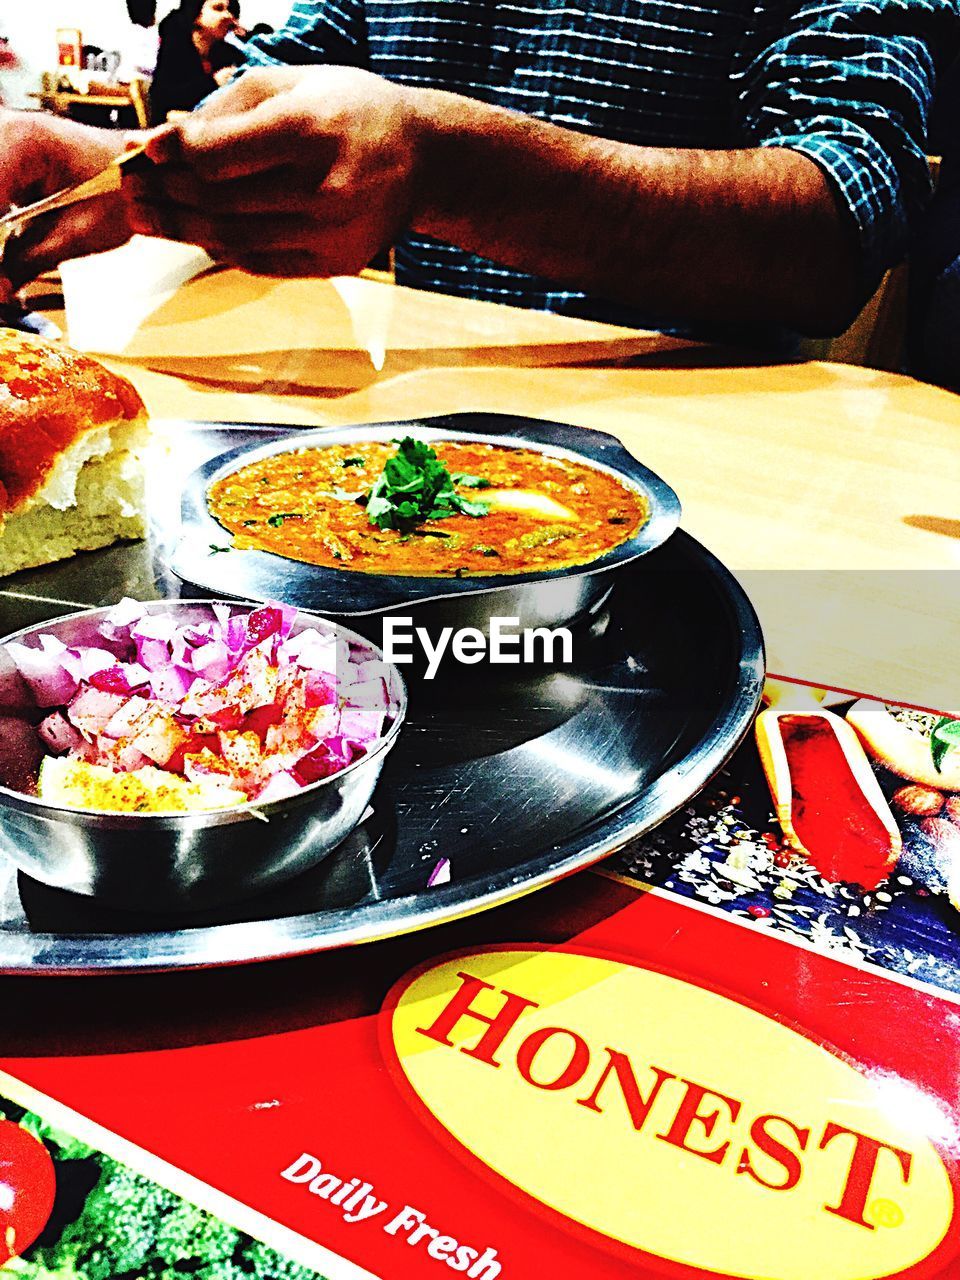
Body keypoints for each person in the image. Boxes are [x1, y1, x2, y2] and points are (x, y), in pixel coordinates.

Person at [0, 0, 957, 344]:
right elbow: (260, 102)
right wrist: (83, 166)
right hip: (399, 444)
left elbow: (846, 216)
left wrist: (444, 168)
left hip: (704, 486)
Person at [149, 0, 244, 125]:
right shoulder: (176, 47)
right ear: (196, 16)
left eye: (229, 9)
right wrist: (214, 81)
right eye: (218, 8)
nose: (228, 15)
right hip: (176, 130)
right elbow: (164, 98)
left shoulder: (229, 53)